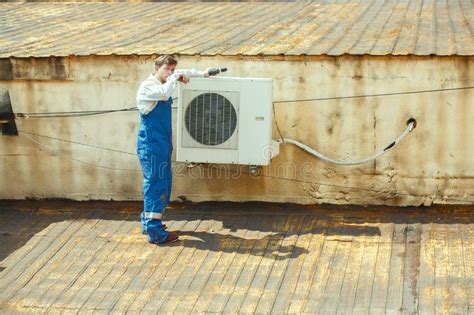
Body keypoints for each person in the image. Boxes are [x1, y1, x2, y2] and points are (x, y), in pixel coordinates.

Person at [136, 55, 211, 244]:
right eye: (166, 69)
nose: (169, 73)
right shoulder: (149, 86)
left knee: (164, 182)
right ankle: (155, 232)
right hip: (151, 144)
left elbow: (182, 73)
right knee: (156, 184)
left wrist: (203, 74)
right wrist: (174, 78)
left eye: (172, 69)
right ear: (157, 68)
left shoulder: (165, 81)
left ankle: (149, 223)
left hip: (161, 143)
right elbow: (164, 93)